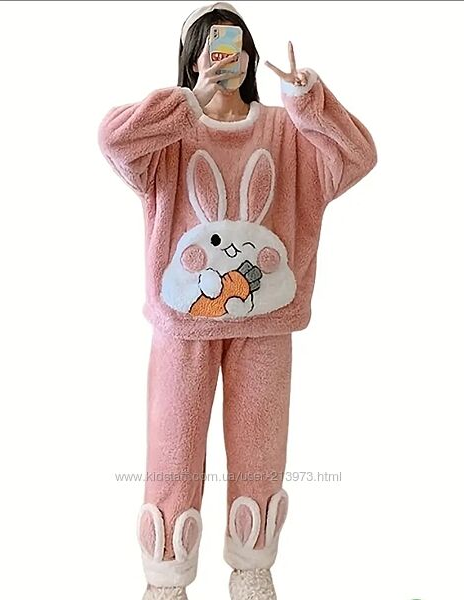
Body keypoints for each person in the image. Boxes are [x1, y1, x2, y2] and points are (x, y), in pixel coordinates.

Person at [98, 2, 377, 599]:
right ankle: (167, 575)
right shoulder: (170, 131)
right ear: (191, 59)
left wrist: (309, 101)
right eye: (208, 46)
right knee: (173, 446)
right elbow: (113, 140)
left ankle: (252, 566)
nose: (221, 55)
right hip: (183, 323)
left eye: (231, 44)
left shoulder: (286, 130)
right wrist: (188, 102)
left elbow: (357, 157)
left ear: (248, 54)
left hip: (266, 319)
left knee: (260, 444)